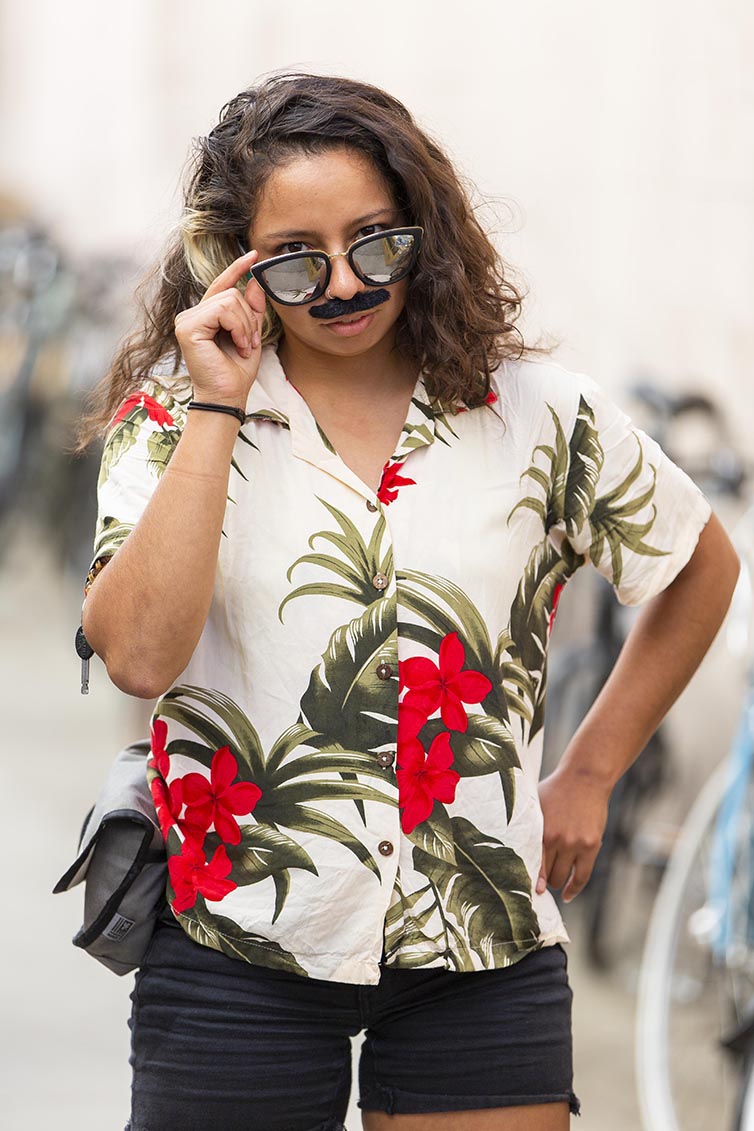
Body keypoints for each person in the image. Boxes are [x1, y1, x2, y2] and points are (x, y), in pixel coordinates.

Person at [79, 71, 739, 1131]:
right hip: (240, 935)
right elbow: (140, 658)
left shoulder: (536, 413)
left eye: (375, 241)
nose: (343, 283)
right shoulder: (175, 416)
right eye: (297, 258)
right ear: (230, 260)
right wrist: (215, 403)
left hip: (479, 938)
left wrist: (592, 768)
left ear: (422, 230)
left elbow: (698, 563)